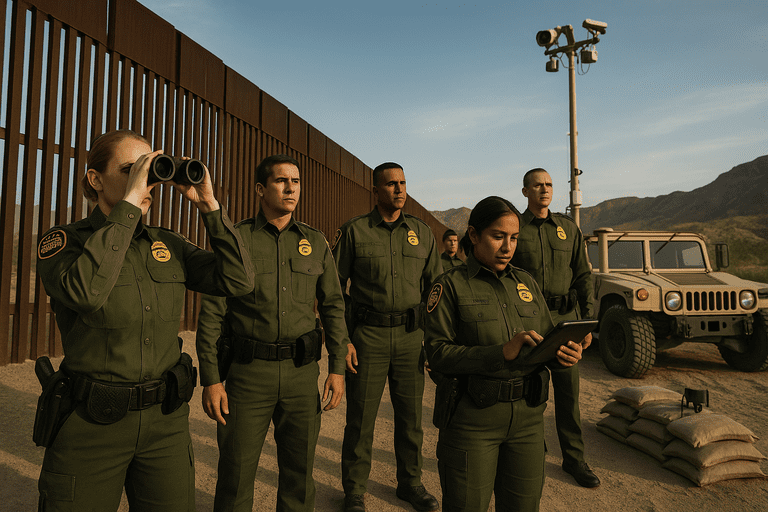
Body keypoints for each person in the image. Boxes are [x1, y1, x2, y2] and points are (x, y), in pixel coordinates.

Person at [34, 129, 253, 511]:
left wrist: (209, 207)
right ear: (95, 179)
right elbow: (86, 293)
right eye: (132, 169)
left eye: (150, 170)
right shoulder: (64, 242)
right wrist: (130, 203)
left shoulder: (168, 243)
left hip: (164, 424)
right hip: (91, 423)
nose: (146, 181)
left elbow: (239, 280)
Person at [195, 154, 349, 512]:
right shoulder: (237, 240)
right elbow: (212, 314)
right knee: (235, 473)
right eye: (282, 181)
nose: (291, 188)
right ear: (260, 188)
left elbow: (333, 307)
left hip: (300, 375)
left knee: (299, 474)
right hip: (248, 376)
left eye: (295, 181)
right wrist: (212, 379)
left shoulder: (315, 241)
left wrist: (337, 367)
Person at [425, 195, 584, 512]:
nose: (508, 247)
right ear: (474, 235)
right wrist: (502, 351)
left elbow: (543, 339)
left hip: (527, 423)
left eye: (513, 238)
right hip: (473, 423)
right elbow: (437, 354)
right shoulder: (450, 286)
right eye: (498, 237)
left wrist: (562, 351)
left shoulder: (525, 282)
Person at [333, 162, 442, 512]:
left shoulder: (422, 233)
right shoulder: (354, 232)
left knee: (411, 419)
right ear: (375, 190)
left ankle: (410, 484)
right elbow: (334, 290)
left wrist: (432, 339)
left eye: (403, 183)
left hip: (411, 338)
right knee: (361, 418)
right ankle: (354, 491)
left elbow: (436, 292)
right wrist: (343, 340)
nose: (399, 189)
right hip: (368, 338)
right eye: (391, 184)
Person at [509, 168, 599, 488]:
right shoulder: (514, 228)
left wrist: (587, 320)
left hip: (564, 323)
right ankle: (530, 452)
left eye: (548, 184)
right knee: (528, 392)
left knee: (567, 394)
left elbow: (583, 275)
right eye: (537, 185)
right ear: (525, 192)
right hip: (528, 322)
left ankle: (574, 460)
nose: (545, 190)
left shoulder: (568, 229)